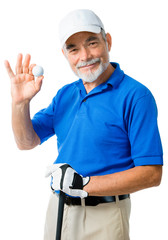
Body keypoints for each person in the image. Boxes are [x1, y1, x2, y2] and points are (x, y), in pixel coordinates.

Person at [5, 9, 163, 240]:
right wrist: (20, 103)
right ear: (65, 54)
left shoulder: (136, 96)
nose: (85, 56)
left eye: (92, 43)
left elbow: (151, 174)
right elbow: (26, 142)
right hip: (58, 210)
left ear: (107, 41)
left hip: (105, 216)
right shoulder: (65, 95)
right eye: (74, 49)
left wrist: (85, 183)